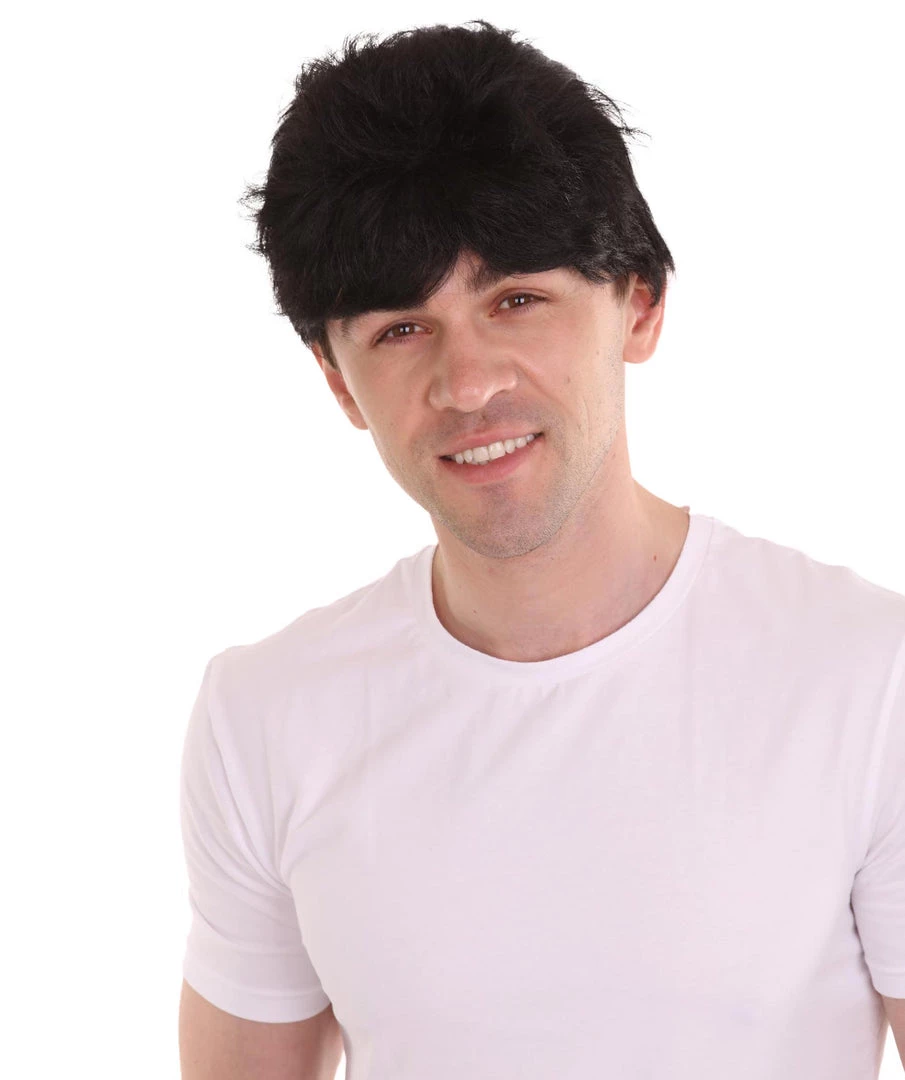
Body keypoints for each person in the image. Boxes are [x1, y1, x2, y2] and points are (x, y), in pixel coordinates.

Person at [177, 20, 905, 1080]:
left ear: (638, 305)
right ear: (338, 382)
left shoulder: (867, 676)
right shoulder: (264, 716)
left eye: (516, 301)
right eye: (399, 329)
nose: (468, 383)